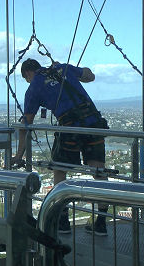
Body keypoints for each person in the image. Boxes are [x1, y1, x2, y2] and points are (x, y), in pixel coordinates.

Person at [11, 58, 109, 236]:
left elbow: (27, 124)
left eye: (26, 78)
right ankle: (101, 222)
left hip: (70, 127)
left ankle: (63, 221)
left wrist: (19, 155)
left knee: (59, 169)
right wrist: (65, 67)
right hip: (93, 122)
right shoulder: (62, 69)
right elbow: (90, 75)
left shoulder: (34, 87)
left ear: (27, 74)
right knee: (98, 170)